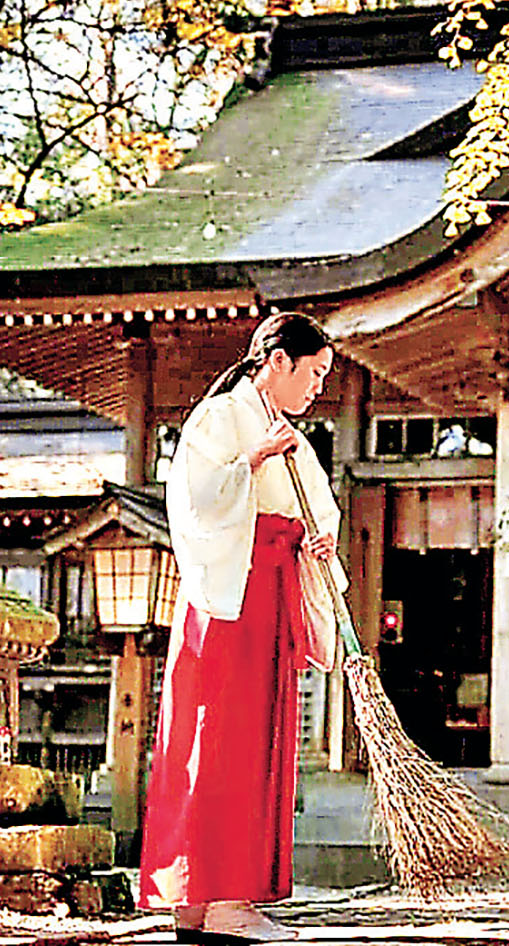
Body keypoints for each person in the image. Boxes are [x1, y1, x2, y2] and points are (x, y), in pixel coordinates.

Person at [138, 312, 345, 944]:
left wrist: (320, 542)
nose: (316, 388)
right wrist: (253, 459)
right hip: (231, 593)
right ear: (277, 361)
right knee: (220, 733)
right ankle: (215, 895)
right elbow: (195, 499)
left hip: (271, 586)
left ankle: (209, 900)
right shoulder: (222, 416)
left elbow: (316, 510)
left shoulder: (289, 432)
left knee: (252, 735)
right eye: (312, 372)